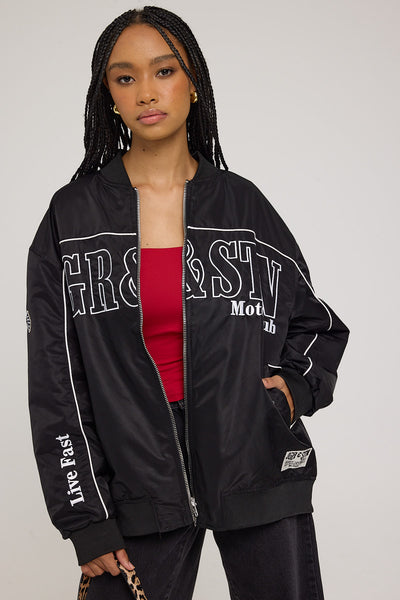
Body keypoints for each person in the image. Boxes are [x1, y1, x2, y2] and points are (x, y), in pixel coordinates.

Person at [26, 6, 349, 600]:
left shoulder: (243, 208)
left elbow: (317, 324)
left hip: (255, 469)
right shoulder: (72, 218)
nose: (146, 92)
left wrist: (290, 392)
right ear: (109, 97)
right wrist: (86, 519)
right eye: (125, 78)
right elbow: (56, 381)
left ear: (193, 82)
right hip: (136, 485)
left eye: (164, 71)